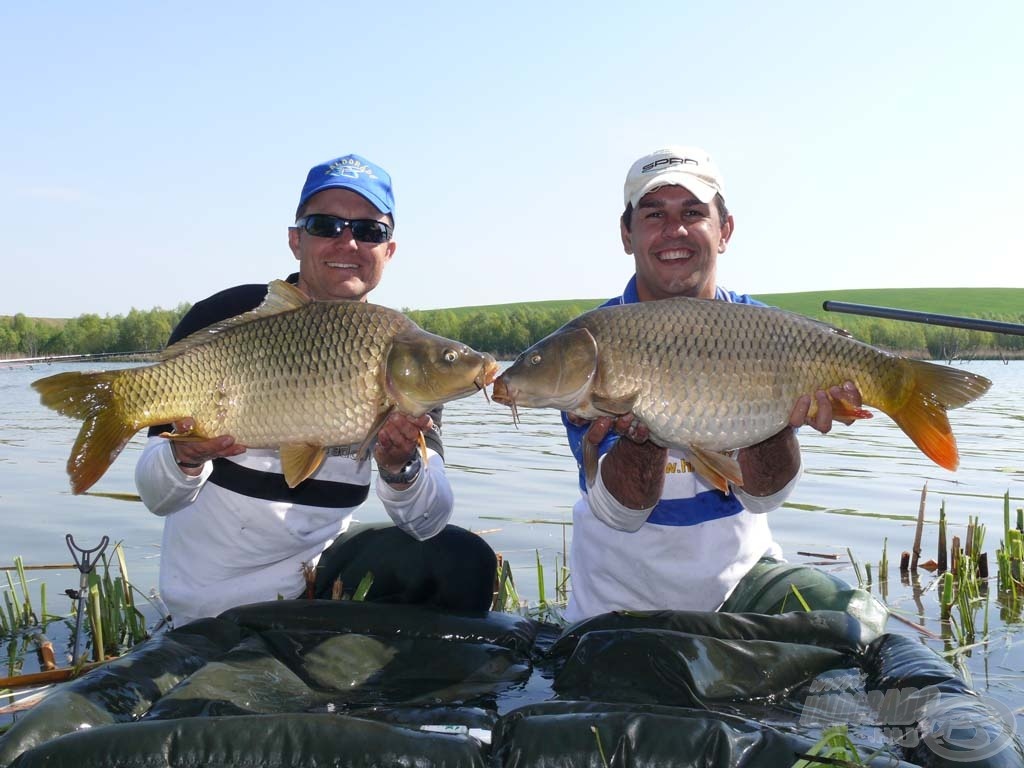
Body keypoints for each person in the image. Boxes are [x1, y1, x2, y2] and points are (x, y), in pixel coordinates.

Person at [135, 153, 495, 626]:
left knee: (461, 561)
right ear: (295, 239)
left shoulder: (404, 353)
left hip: (323, 583)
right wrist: (187, 455)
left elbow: (425, 522)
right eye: (326, 224)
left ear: (389, 250)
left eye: (369, 230)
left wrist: (398, 466)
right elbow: (158, 497)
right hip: (210, 605)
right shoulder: (226, 318)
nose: (348, 241)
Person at [561, 145, 863, 623]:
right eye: (654, 213)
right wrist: (645, 440)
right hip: (619, 606)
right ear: (626, 234)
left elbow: (763, 496)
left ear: (724, 230)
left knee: (848, 618)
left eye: (693, 213)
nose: (674, 230)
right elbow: (622, 515)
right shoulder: (592, 345)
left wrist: (776, 425)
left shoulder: (767, 334)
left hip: (742, 584)